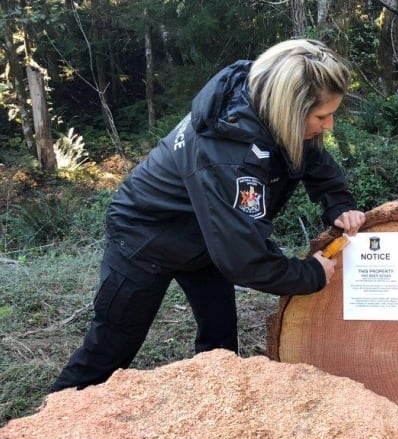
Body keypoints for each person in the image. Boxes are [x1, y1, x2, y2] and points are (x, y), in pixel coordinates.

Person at [51, 39, 366, 392]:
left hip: (205, 238)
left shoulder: (269, 102)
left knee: (220, 347)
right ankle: (51, 420)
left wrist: (338, 204)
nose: (329, 125)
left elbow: (313, 158)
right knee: (112, 345)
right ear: (290, 109)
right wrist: (310, 274)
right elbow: (246, 260)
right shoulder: (229, 152)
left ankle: (217, 413)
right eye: (321, 116)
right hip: (145, 236)